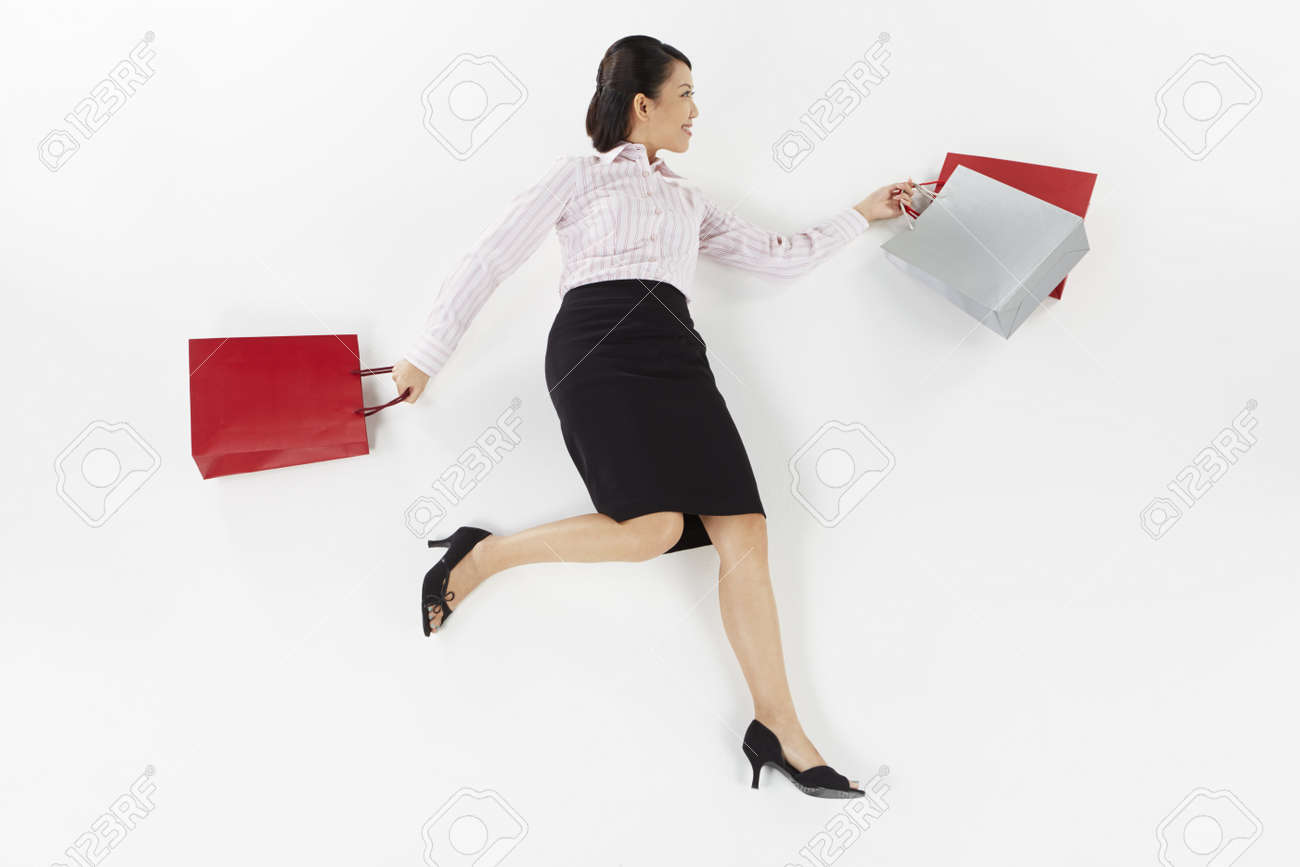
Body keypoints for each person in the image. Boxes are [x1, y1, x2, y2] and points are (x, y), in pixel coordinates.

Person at [394, 35, 915, 798]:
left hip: (676, 352)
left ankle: (779, 725)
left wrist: (862, 213)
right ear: (644, 104)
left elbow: (777, 254)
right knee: (655, 528)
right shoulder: (578, 176)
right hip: (597, 348)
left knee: (746, 527)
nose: (696, 111)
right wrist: (424, 354)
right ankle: (483, 555)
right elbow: (491, 257)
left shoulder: (687, 199)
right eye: (686, 94)